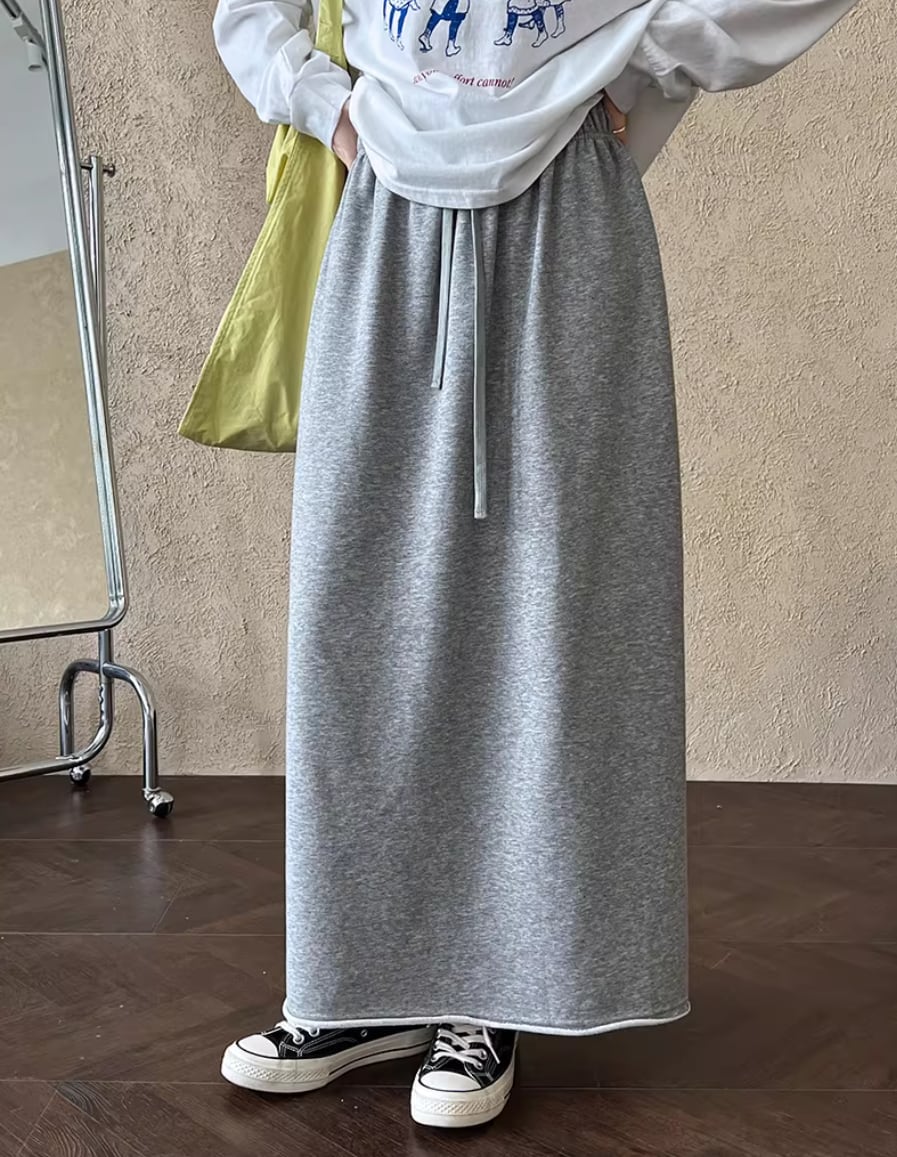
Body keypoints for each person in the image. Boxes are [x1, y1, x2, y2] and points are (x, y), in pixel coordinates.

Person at [212, 0, 860, 1131]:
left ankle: (492, 991)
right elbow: (249, 14)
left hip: (567, 209)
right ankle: (353, 980)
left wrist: (648, 58)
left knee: (547, 618)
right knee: (357, 617)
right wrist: (326, 102)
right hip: (387, 210)